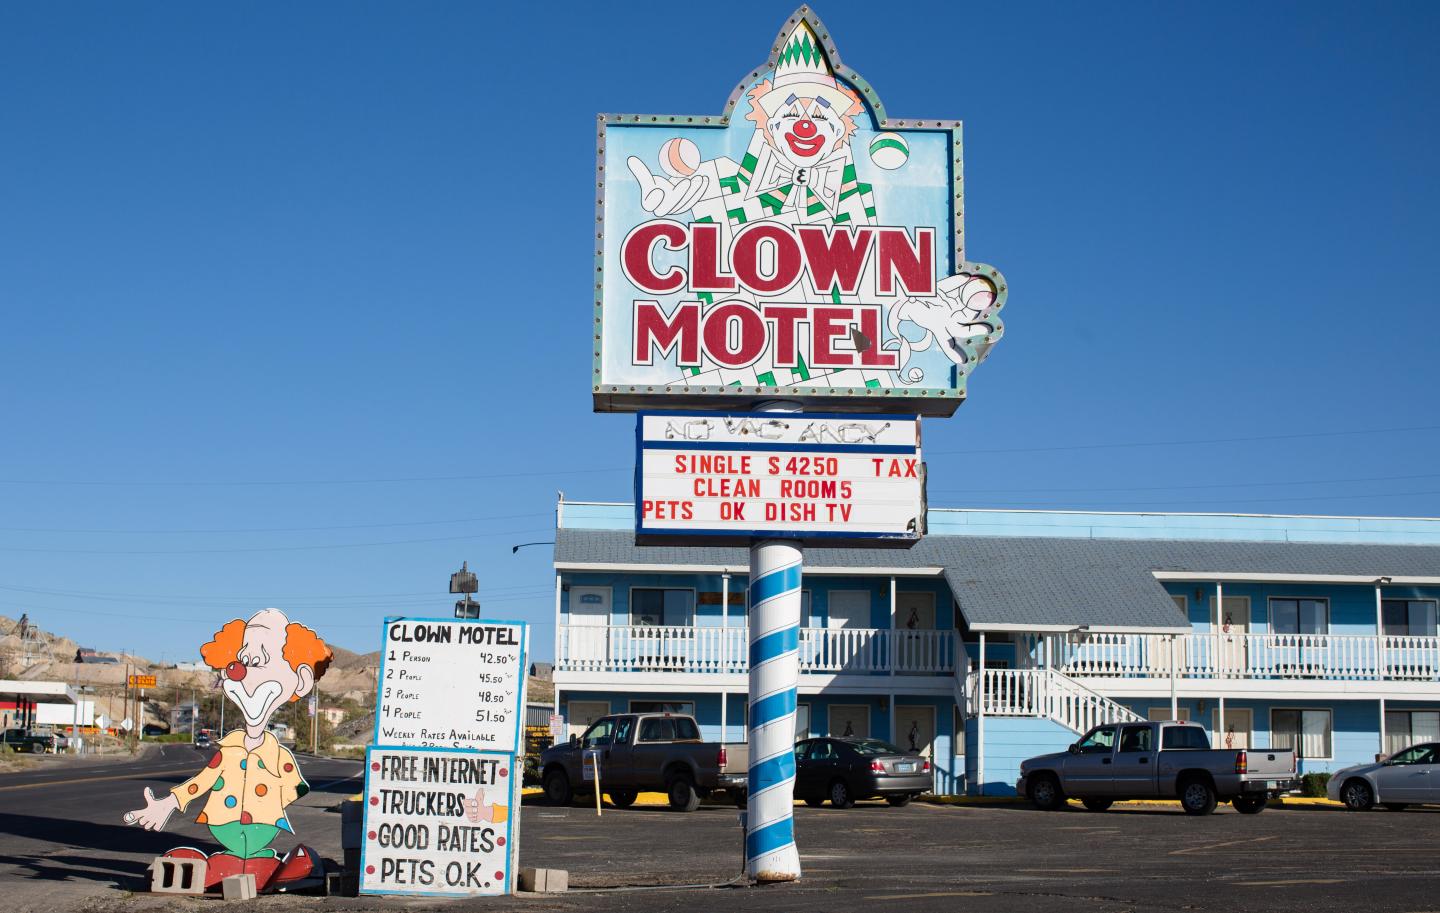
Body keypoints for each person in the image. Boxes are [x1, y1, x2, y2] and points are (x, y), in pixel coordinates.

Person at [124, 608, 331, 892]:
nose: (243, 673)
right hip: (225, 824)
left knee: (296, 861)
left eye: (260, 661)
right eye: (240, 662)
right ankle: (217, 869)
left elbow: (295, 788)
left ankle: (275, 870)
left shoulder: (278, 755)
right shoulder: (229, 750)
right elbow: (202, 781)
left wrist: (267, 801)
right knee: (199, 863)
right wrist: (169, 803)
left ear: (301, 680)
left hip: (263, 827)